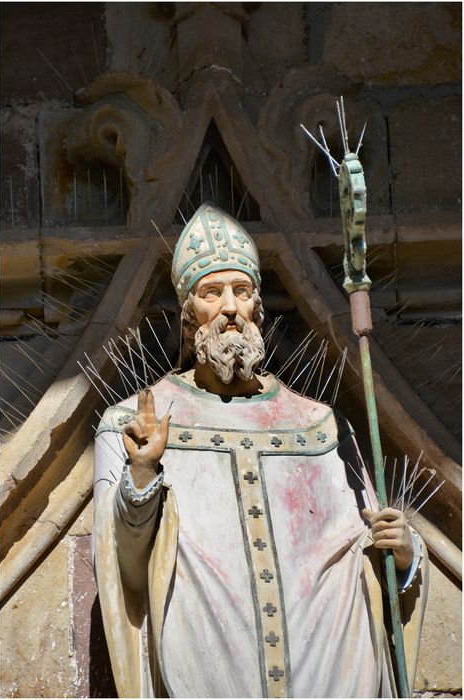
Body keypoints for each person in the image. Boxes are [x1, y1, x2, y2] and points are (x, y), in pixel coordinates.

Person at [93, 203, 428, 698]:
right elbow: (123, 565)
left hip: (330, 672)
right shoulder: (133, 424)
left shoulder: (321, 427)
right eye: (212, 292)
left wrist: (403, 553)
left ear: (257, 306)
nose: (230, 307)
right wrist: (141, 476)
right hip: (208, 673)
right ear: (189, 315)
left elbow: (367, 548)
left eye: (242, 291)